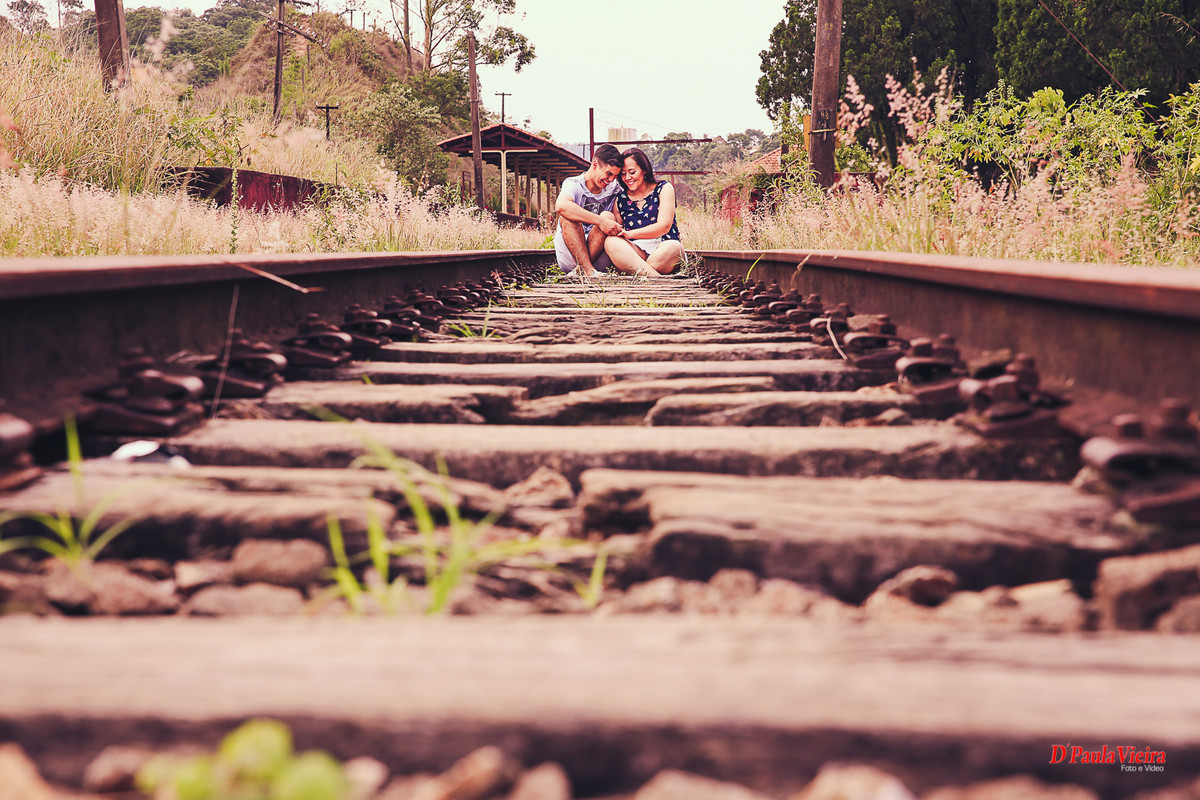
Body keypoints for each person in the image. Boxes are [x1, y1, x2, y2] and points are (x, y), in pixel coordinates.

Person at [604, 147, 684, 276]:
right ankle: (655, 278)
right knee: (611, 242)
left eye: (632, 172)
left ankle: (640, 273)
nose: (627, 177)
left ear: (644, 169)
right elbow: (618, 234)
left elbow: (664, 226)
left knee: (674, 247)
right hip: (636, 253)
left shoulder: (663, 188)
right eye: (623, 174)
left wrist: (630, 234)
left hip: (663, 249)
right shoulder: (620, 199)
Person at [553, 143, 626, 277]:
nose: (610, 180)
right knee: (567, 218)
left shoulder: (614, 188)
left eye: (615, 176)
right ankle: (587, 270)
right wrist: (600, 221)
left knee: (608, 216)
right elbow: (561, 206)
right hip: (571, 256)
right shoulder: (574, 184)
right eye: (608, 174)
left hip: (599, 259)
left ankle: (582, 271)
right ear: (595, 164)